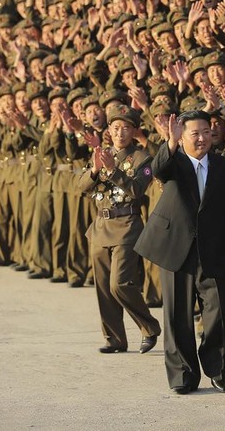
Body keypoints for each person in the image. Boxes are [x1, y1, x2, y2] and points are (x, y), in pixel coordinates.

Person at [135, 110, 225, 394]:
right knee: (177, 316)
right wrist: (168, 144)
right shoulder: (173, 162)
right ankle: (183, 374)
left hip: (215, 249)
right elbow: (157, 169)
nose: (202, 138)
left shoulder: (223, 166)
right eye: (194, 133)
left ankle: (217, 368)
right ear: (181, 136)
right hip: (175, 248)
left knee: (220, 312)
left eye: (206, 132)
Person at [78, 104, 161, 354]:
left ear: (134, 131)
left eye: (126, 128)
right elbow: (82, 188)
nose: (120, 133)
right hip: (101, 226)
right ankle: (114, 338)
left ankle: (149, 327)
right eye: (115, 128)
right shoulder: (102, 154)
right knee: (103, 287)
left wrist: (113, 172)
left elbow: (137, 190)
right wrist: (95, 169)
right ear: (109, 131)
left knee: (119, 283)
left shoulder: (143, 158)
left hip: (127, 226)